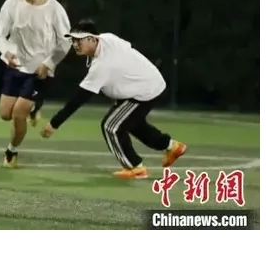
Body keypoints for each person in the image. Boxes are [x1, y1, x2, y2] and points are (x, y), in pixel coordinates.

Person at [40, 19, 187, 179]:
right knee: (132, 123)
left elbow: (79, 99)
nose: (75, 44)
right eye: (73, 40)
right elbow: (128, 47)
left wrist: (54, 123)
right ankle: (172, 146)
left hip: (144, 90)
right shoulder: (107, 38)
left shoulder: (101, 66)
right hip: (149, 83)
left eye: (79, 40)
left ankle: (136, 168)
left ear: (92, 39)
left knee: (111, 126)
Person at [0, 0, 72, 168]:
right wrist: (6, 52)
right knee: (5, 114)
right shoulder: (12, 3)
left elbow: (65, 41)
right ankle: (34, 109)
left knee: (19, 113)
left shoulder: (54, 9)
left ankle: (11, 151)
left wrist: (49, 63)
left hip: (39, 71)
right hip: (16, 67)